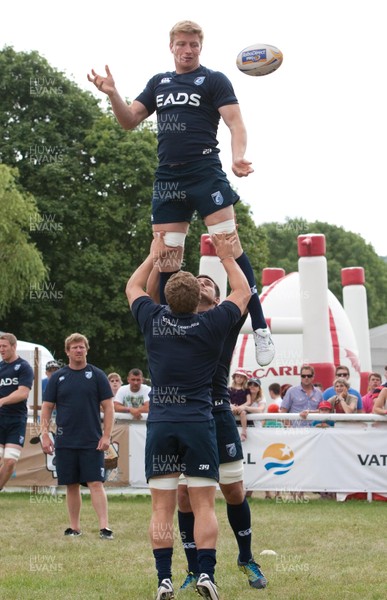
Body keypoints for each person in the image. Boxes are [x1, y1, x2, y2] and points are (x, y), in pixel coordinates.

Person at [88, 19, 275, 369]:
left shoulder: (215, 80)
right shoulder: (159, 82)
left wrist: (237, 157)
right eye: (181, 44)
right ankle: (166, 325)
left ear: (200, 47)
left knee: (229, 247)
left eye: (193, 44)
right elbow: (129, 121)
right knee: (166, 260)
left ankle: (261, 326)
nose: (187, 50)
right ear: (171, 47)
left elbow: (236, 123)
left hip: (205, 172)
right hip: (168, 180)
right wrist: (113, 93)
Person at [126, 233, 251, 600]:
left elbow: (134, 286)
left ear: (164, 298)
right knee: (203, 504)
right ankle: (207, 575)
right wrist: (227, 257)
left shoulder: (153, 319)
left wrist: (153, 256)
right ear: (200, 300)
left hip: (162, 423)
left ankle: (164, 578)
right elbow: (242, 292)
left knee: (162, 507)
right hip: (198, 423)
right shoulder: (212, 324)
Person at [40, 333, 115, 540]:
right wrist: (44, 434)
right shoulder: (58, 377)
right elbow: (46, 408)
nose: (78, 350)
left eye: (82, 347)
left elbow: (109, 408)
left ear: (87, 350)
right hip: (65, 441)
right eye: (74, 348)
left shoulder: (97, 375)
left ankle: (104, 528)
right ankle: (74, 528)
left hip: (92, 440)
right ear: (67, 351)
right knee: (71, 484)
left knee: (95, 483)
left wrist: (107, 435)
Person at [0, 333, 34, 491]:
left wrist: (2, 401)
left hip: (16, 420)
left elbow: (23, 393)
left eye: (4, 346)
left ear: (14, 347)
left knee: (10, 461)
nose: (1, 350)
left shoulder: (24, 367)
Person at [229, 370, 251, 441]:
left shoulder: (246, 389)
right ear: (234, 378)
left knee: (243, 413)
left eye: (241, 377)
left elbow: (248, 401)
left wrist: (241, 407)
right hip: (232, 408)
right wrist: (232, 406)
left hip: (242, 408)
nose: (239, 378)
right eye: (237, 376)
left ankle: (244, 432)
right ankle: (230, 431)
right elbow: (227, 400)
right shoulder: (229, 389)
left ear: (244, 379)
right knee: (228, 414)